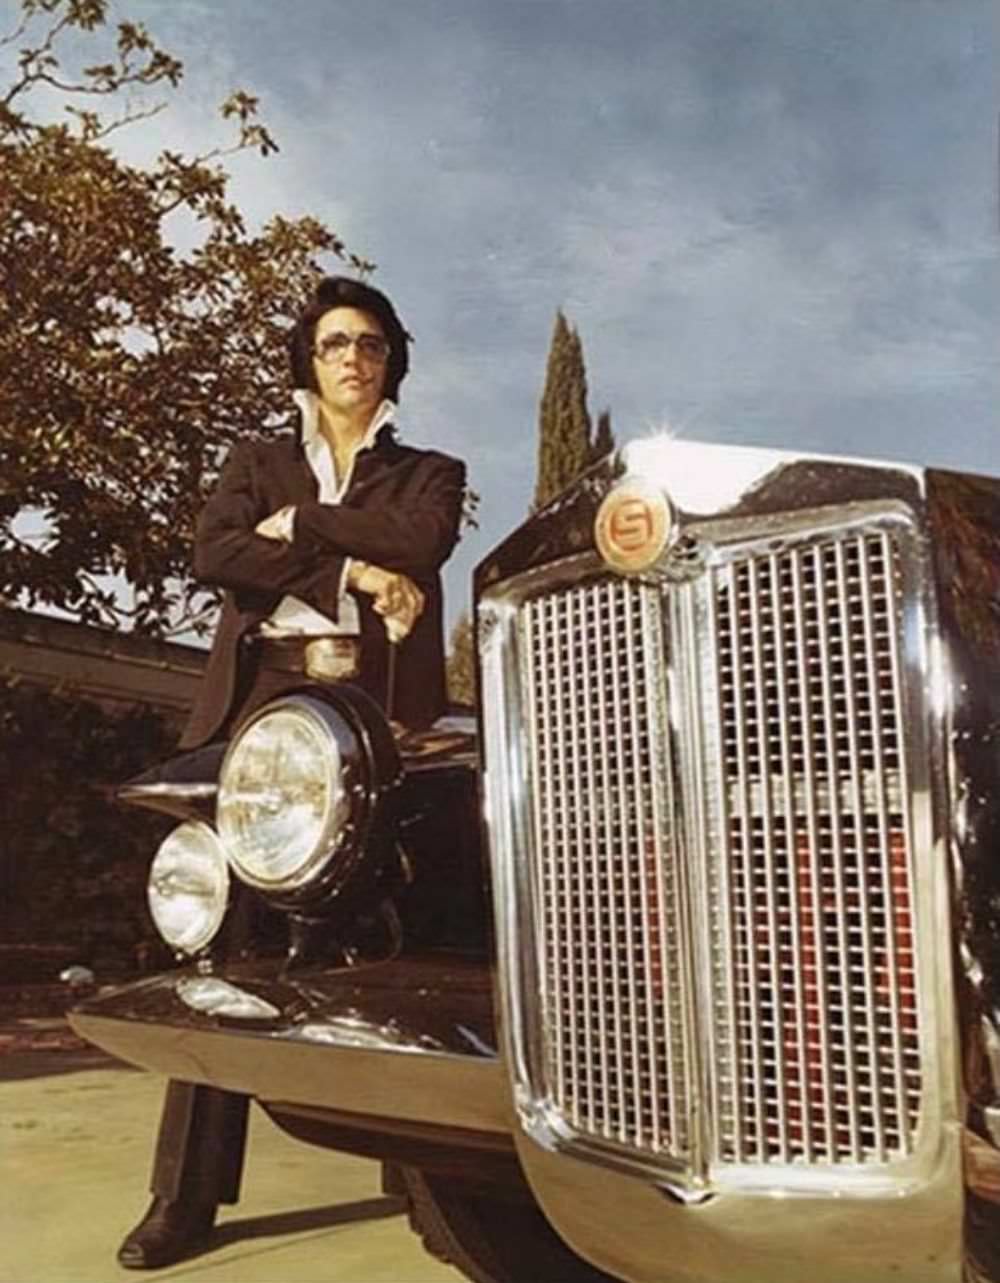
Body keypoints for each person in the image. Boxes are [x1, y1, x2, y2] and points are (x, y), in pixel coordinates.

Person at [116, 275, 466, 1269]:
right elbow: (214, 551)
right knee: (222, 944)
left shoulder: (431, 468)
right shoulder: (256, 457)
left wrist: (305, 528)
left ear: (393, 358)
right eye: (334, 343)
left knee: (391, 937)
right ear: (307, 360)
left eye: (371, 343)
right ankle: (182, 1196)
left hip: (381, 706)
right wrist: (350, 572)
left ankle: (418, 1178)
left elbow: (423, 541)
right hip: (264, 698)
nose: (354, 358)